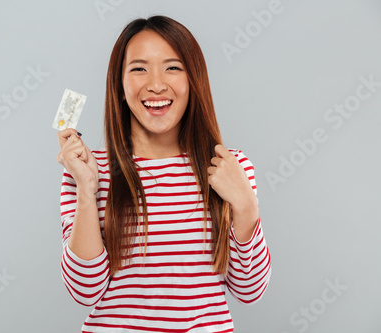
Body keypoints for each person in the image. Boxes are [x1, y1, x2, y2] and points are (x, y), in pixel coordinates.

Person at [56, 15, 272, 333]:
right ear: (119, 84)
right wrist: (87, 189)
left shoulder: (231, 169)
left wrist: (246, 207)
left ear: (193, 80)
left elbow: (250, 291)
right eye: (139, 68)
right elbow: (84, 292)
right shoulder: (89, 170)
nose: (156, 84)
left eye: (172, 67)